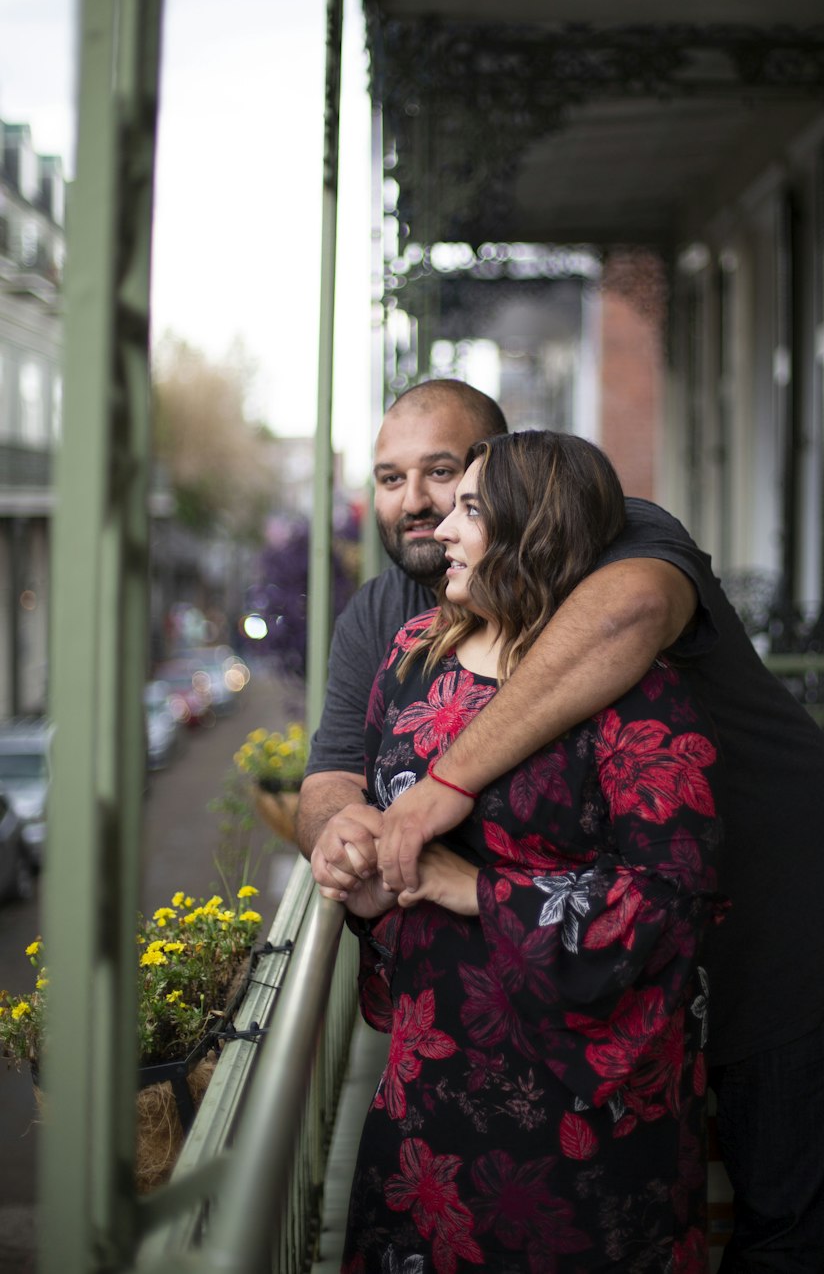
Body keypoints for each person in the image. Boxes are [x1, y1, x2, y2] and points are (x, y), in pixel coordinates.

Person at [299, 378, 824, 1274]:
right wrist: (351, 836)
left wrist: (442, 791)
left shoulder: (618, 529)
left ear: (509, 471)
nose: (421, 506)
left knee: (779, 1228)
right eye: (390, 478)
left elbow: (627, 615)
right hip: (562, 1008)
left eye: (448, 476)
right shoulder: (391, 622)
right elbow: (334, 778)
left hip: (774, 926)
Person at [337, 430, 725, 1272]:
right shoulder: (413, 659)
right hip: (429, 1079)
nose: (440, 526)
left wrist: (475, 888)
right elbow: (384, 819)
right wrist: (366, 880)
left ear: (532, 530)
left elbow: (673, 897)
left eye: (470, 508)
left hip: (580, 1107)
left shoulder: (633, 686)